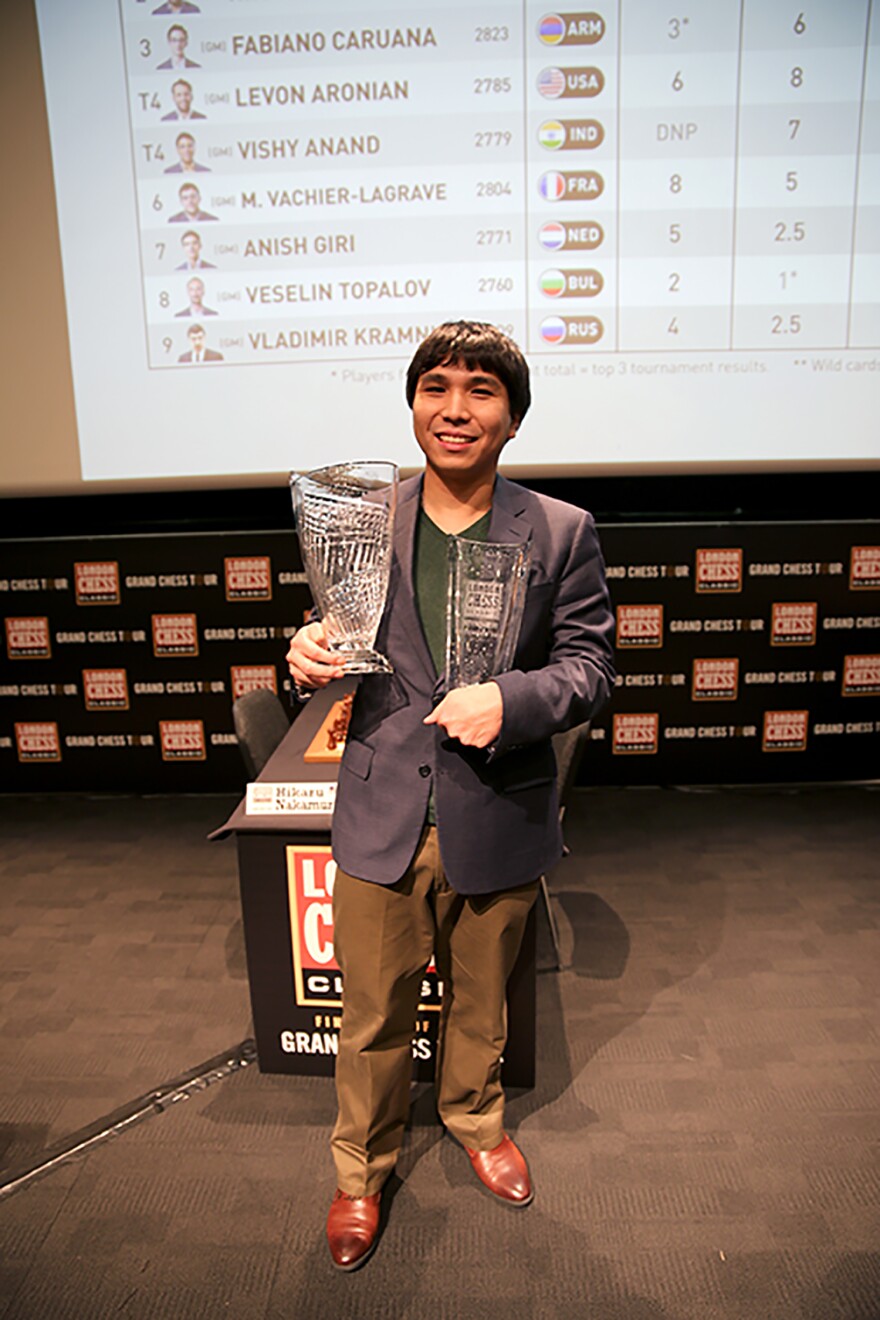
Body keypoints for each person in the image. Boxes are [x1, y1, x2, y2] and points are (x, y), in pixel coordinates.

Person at [286, 321, 615, 1271]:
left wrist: (510, 698)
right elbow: (330, 631)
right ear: (413, 403)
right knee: (373, 1013)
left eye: (480, 391)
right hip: (384, 806)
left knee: (483, 1002)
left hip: (496, 805)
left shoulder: (559, 530)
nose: (455, 408)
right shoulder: (362, 515)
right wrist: (302, 652)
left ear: (512, 416)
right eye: (436, 387)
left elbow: (590, 669)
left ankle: (477, 1121)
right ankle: (360, 1172)